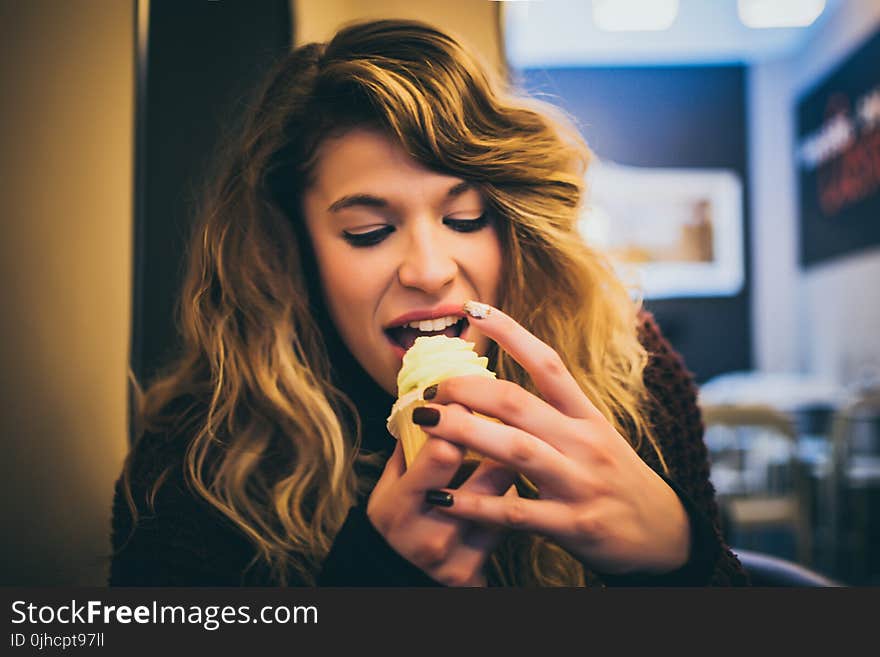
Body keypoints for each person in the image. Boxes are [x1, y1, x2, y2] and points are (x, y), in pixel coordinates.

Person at [109, 18, 749, 587]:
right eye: (368, 232)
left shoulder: (633, 377)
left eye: (466, 219)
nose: (430, 270)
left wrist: (681, 559)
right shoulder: (202, 453)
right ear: (296, 251)